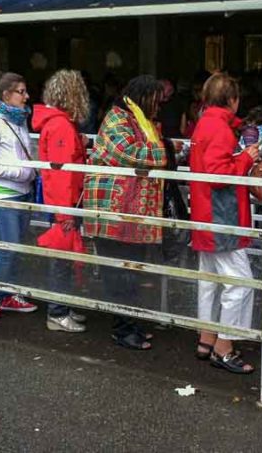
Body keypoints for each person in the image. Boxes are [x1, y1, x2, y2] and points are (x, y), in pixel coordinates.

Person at [84, 75, 167, 350]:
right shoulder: (117, 119)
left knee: (131, 272)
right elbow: (131, 154)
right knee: (120, 275)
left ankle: (131, 324)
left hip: (130, 213)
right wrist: (161, 148)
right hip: (113, 212)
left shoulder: (135, 119)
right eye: (155, 99)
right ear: (143, 98)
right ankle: (123, 330)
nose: (159, 105)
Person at [190, 73, 259, 374]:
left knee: (210, 279)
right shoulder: (221, 128)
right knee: (239, 282)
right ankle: (224, 346)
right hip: (222, 216)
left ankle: (207, 337)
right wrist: (246, 158)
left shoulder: (204, 123)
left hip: (205, 214)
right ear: (233, 100)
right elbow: (220, 176)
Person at [0, 71, 39, 321]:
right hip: (2, 196)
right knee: (7, 247)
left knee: (16, 247)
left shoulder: (18, 118)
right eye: (21, 92)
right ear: (6, 95)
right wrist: (19, 172)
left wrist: (28, 171)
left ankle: (8, 294)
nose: (26, 97)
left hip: (23, 193)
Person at [31, 69, 90, 333]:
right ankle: (57, 312)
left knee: (62, 260)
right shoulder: (62, 125)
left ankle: (61, 309)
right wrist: (65, 214)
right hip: (64, 205)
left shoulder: (56, 124)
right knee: (62, 260)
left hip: (61, 204)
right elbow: (63, 175)